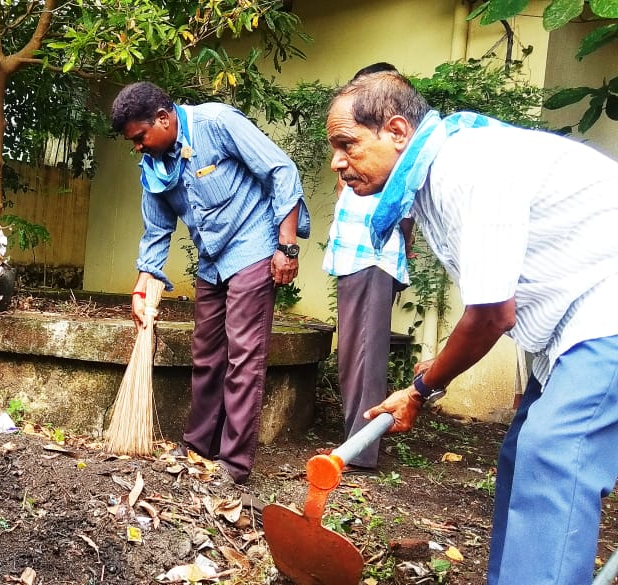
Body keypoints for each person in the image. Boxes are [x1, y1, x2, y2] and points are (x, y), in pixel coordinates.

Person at [326, 70, 618, 585]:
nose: (337, 161)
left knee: (553, 455)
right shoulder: (435, 178)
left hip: (604, 318)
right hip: (573, 325)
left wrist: (422, 388)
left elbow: (491, 315)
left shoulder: (468, 167)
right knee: (523, 455)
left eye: (347, 143)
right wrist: (438, 367)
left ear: (397, 131)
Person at [110, 81, 310, 484]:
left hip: (253, 244)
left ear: (163, 119)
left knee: (243, 355)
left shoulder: (217, 123)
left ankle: (234, 463)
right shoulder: (154, 163)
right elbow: (156, 230)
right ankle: (198, 446)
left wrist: (286, 247)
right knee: (206, 354)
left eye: (140, 137)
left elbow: (280, 169)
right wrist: (142, 287)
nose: (138, 147)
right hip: (212, 260)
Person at [322, 62, 414, 473]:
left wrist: (401, 254)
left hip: (374, 259)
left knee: (364, 355)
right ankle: (356, 442)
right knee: (354, 354)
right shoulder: (357, 155)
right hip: (353, 258)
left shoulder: (388, 156)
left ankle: (360, 451)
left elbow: (405, 217)